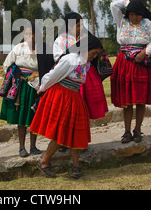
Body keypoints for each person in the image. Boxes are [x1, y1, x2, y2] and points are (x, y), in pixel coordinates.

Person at [30, 34, 103, 179]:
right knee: (61, 132)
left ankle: (76, 166)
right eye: (93, 53)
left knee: (74, 132)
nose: (94, 57)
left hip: (74, 97)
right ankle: (44, 161)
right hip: (62, 96)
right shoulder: (71, 60)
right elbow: (53, 75)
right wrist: (42, 87)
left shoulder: (84, 64)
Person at [110, 0, 151, 144]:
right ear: (127, 14)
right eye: (131, 14)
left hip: (142, 63)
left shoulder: (148, 24)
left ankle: (137, 130)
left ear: (142, 14)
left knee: (140, 99)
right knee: (127, 100)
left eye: (137, 14)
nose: (134, 17)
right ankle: (127, 131)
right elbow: (113, 6)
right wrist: (126, 2)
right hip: (125, 64)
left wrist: (144, 53)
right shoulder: (122, 22)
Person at [54, 12, 109, 120]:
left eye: (82, 25)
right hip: (70, 76)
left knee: (86, 110)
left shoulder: (86, 38)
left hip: (88, 76)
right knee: (72, 110)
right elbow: (58, 58)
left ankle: (82, 131)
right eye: (78, 26)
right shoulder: (61, 40)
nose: (81, 28)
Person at [0, 24, 42, 157]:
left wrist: (38, 77)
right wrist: (17, 76)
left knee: (33, 116)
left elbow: (46, 66)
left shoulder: (42, 50)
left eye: (32, 34)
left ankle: (33, 146)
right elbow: (7, 64)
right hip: (21, 86)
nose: (29, 37)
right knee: (21, 117)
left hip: (35, 86)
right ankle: (22, 147)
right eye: (27, 34)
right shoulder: (18, 48)